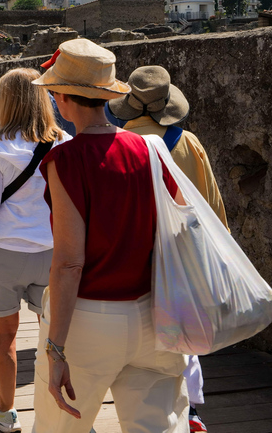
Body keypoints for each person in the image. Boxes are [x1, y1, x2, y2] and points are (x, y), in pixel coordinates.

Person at [32, 39, 189, 433]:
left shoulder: (65, 160)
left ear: (62, 98)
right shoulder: (151, 148)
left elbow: (69, 262)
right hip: (155, 316)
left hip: (90, 319)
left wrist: (55, 349)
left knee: (60, 426)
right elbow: (179, 223)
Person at [108, 65, 229, 433]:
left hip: (131, 260)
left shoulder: (117, 145)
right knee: (185, 331)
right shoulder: (188, 143)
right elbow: (211, 206)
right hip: (182, 253)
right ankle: (190, 409)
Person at [0, 68, 70, 432]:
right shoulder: (65, 143)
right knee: (54, 337)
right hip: (52, 254)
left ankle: (5, 410)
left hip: (3, 255)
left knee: (2, 337)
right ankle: (53, 411)